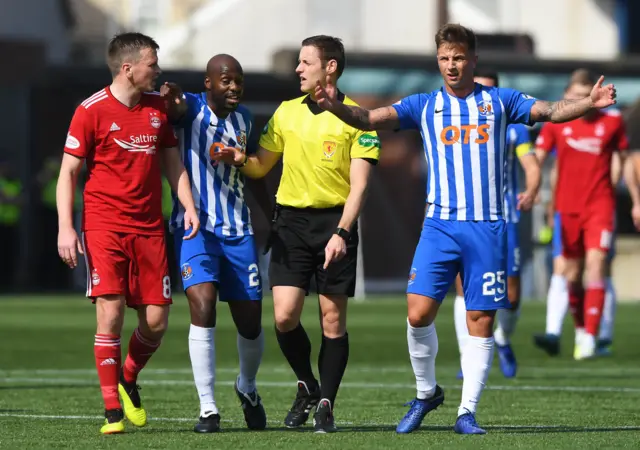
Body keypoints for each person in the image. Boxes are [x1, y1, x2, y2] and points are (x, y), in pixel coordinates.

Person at [313, 23, 616, 434]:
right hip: (439, 226)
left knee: (480, 319)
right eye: (444, 59)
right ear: (437, 61)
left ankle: (466, 412)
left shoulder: (500, 101)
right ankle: (426, 393)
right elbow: (368, 117)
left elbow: (549, 110)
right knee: (417, 313)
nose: (451, 66)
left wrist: (588, 104)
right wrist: (334, 106)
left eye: (458, 58)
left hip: (487, 228)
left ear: (472, 60)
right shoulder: (424, 104)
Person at [211, 35, 380, 433]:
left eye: (306, 63)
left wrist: (342, 231)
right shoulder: (286, 113)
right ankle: (307, 384)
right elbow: (259, 167)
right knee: (285, 316)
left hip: (335, 224)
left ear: (330, 68)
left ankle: (326, 405)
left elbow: (360, 186)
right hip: (289, 225)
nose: (298, 69)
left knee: (331, 320)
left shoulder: (358, 117)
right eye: (299, 63)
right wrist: (239, 159)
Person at [56, 32, 200, 434]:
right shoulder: (90, 110)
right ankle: (111, 414)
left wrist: (188, 206)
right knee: (112, 312)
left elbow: (173, 165)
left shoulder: (158, 109)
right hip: (104, 225)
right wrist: (66, 228)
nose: (158, 69)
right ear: (128, 68)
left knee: (156, 322)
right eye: (152, 63)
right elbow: (68, 173)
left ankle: (128, 378)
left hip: (150, 227)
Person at [159, 54, 269, 433]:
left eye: (238, 80)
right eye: (225, 80)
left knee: (250, 322)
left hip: (238, 229)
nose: (234, 87)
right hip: (195, 228)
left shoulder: (245, 120)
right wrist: (170, 96)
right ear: (208, 83)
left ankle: (248, 387)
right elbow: (174, 106)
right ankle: (208, 408)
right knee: (203, 304)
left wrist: (270, 218)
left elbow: (253, 172)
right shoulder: (191, 107)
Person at [533, 69, 638, 359]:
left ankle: (592, 336)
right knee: (572, 274)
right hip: (567, 209)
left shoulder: (613, 122)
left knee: (597, 263)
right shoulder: (555, 124)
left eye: (585, 96)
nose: (581, 102)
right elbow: (539, 159)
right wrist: (532, 187)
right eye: (575, 97)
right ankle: (581, 330)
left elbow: (625, 161)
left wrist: (636, 200)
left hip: (600, 207)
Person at [453, 71, 540, 379]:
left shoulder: (513, 127)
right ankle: (468, 355)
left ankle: (501, 339)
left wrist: (531, 189)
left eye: (487, 89)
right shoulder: (456, 121)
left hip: (505, 219)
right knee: (464, 286)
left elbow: (530, 163)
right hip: (465, 217)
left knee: (511, 295)